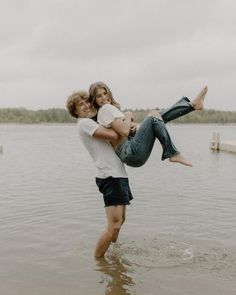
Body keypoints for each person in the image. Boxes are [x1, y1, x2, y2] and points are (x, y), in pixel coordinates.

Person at [66, 91, 133, 258]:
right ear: (75, 112)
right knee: (113, 226)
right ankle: (99, 262)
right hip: (109, 175)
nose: (87, 105)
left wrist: (123, 124)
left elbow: (118, 133)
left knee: (120, 222)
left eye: (87, 102)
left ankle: (114, 255)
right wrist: (127, 119)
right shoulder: (84, 124)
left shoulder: (93, 122)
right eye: (81, 105)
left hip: (118, 174)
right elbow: (114, 135)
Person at [89, 82, 208, 167]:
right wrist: (129, 115)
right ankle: (172, 153)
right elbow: (124, 131)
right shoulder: (105, 109)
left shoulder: (106, 111)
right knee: (153, 116)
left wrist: (133, 130)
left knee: (156, 117)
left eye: (105, 93)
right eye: (99, 96)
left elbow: (122, 133)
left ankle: (192, 105)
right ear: (94, 100)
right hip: (129, 152)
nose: (104, 97)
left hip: (130, 154)